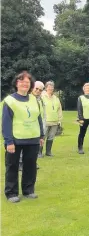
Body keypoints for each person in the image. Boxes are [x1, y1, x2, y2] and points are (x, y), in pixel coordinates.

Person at [2, 71, 44, 203]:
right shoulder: (10, 101)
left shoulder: (34, 99)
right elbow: (6, 123)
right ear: (16, 83)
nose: (25, 84)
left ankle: (28, 190)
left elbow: (38, 117)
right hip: (15, 140)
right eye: (22, 82)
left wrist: (41, 135)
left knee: (30, 166)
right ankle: (11, 193)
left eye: (27, 82)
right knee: (12, 166)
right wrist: (9, 141)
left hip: (33, 140)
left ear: (30, 85)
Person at [19, 81, 46, 171]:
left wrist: (42, 131)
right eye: (36, 89)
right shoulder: (25, 98)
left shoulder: (40, 100)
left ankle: (32, 162)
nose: (38, 91)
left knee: (34, 147)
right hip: (25, 127)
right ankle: (20, 163)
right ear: (32, 88)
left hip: (37, 126)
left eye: (40, 90)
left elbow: (41, 114)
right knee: (23, 146)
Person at [42, 81, 63, 157]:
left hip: (55, 121)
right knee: (42, 137)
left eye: (52, 87)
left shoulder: (56, 98)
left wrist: (60, 120)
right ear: (46, 88)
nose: (50, 88)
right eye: (49, 87)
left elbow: (59, 109)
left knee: (51, 137)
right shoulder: (42, 97)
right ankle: (39, 152)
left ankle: (48, 152)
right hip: (45, 121)